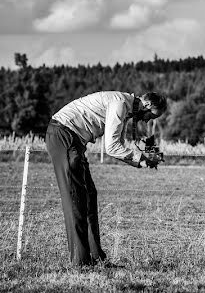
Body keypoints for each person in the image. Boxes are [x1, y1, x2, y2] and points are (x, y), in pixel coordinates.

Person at [45, 91, 167, 267]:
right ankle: (80, 263)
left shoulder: (125, 108)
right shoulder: (119, 104)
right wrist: (141, 160)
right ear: (147, 106)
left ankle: (96, 258)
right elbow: (112, 147)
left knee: (88, 195)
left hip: (75, 141)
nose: (148, 120)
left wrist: (145, 156)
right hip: (63, 135)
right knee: (75, 199)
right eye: (151, 115)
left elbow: (122, 144)